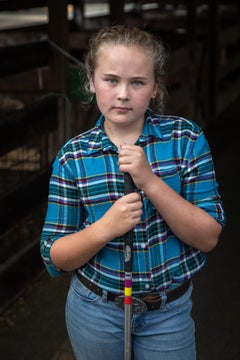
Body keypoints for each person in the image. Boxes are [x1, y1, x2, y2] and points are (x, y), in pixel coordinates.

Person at [40, 25, 226, 360]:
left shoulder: (185, 139)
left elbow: (208, 237)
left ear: (155, 87)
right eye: (111, 80)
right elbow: (55, 255)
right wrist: (105, 228)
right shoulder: (73, 157)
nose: (123, 93)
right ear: (91, 81)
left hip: (167, 311)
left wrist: (150, 182)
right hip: (96, 310)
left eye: (137, 82)